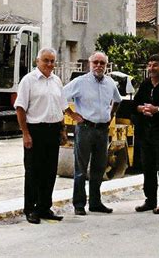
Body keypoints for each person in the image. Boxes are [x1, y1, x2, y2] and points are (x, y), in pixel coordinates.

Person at [64, 51, 122, 216]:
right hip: (85, 129)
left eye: (102, 63)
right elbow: (60, 96)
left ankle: (96, 203)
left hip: (102, 130)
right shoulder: (80, 82)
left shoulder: (110, 83)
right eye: (95, 62)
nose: (98, 66)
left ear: (106, 65)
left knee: (99, 168)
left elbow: (118, 101)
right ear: (90, 64)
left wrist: (110, 116)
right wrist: (72, 115)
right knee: (81, 169)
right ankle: (79, 204)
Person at [15, 48, 68, 224]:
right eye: (46, 60)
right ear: (37, 61)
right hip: (35, 130)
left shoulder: (56, 81)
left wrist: (62, 131)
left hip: (53, 131)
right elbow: (20, 108)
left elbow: (61, 108)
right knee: (33, 172)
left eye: (52, 61)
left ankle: (45, 207)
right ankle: (31, 209)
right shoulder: (28, 81)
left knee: (50, 171)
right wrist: (25, 134)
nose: (50, 64)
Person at [133, 54, 159, 214]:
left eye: (155, 65)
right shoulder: (145, 84)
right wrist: (142, 109)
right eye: (150, 65)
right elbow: (135, 104)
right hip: (145, 133)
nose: (151, 68)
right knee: (147, 167)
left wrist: (156, 109)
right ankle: (150, 200)